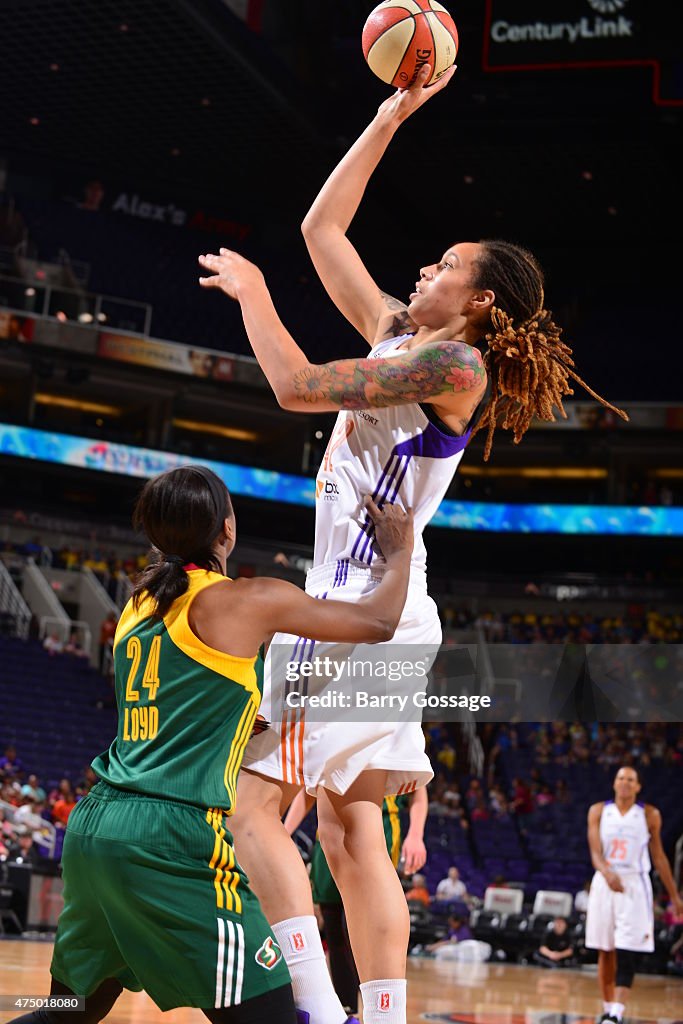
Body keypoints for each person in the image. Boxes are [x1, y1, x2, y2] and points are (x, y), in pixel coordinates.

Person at [198, 62, 627, 1024]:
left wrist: (255, 296)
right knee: (354, 833)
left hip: (352, 611)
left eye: (444, 264)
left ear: (478, 303)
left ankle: (313, 1001)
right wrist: (390, 114)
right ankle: (381, 1014)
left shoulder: (456, 363)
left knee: (253, 805)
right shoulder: (403, 334)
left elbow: (298, 388)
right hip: (395, 608)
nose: (424, 271)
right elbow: (322, 229)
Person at [6, 465, 414, 1024]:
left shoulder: (138, 603)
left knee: (65, 1011)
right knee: (272, 1015)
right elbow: (377, 623)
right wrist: (400, 554)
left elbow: (174, 697)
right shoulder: (245, 600)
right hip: (172, 839)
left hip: (96, 828)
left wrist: (241, 720)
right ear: (227, 528)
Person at [284, 786, 428, 1016]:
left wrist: (416, 834)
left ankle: (382, 1010)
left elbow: (418, 789)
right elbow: (307, 793)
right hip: (328, 833)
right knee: (333, 928)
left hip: (377, 829)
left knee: (357, 924)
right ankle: (347, 1009)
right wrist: (283, 832)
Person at [586, 765, 683, 1024]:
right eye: (621, 778)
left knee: (626, 950)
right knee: (605, 950)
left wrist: (675, 896)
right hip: (605, 882)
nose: (625, 783)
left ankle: (617, 1011)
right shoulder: (598, 811)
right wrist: (607, 873)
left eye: (630, 779)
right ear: (614, 783)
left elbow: (660, 857)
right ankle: (607, 1010)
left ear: (638, 786)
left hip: (634, 884)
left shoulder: (649, 814)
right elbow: (595, 853)